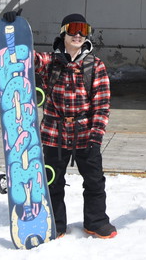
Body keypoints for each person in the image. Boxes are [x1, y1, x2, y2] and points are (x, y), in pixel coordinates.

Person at [32, 13, 116, 239]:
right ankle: (56, 223)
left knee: (95, 181)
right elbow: (28, 59)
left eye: (83, 30)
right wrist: (12, 31)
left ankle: (96, 221)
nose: (78, 34)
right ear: (63, 32)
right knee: (52, 181)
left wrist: (96, 136)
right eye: (73, 29)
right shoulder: (51, 62)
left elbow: (101, 105)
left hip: (85, 133)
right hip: (54, 133)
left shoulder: (95, 65)